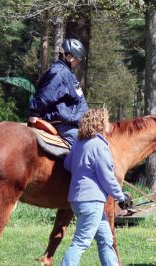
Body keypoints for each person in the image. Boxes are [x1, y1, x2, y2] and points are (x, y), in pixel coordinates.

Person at [61, 108, 127, 266]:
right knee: (81, 242)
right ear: (100, 123)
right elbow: (107, 177)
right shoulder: (99, 145)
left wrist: (84, 167)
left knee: (106, 239)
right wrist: (120, 196)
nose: (108, 123)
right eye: (106, 120)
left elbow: (67, 164)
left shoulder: (79, 143)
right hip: (92, 201)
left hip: (78, 200)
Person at [28, 38, 88, 146]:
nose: (78, 63)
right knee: (84, 146)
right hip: (64, 125)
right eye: (77, 60)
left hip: (72, 124)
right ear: (69, 56)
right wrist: (34, 112)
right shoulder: (59, 73)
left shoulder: (66, 73)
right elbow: (45, 95)